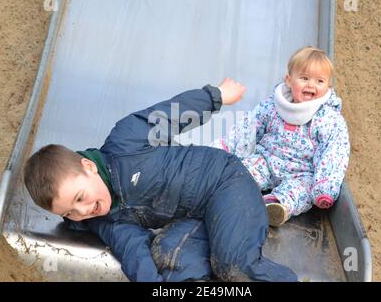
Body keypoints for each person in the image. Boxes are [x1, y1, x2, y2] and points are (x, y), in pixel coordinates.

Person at [23, 78, 298, 282]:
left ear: (88, 167)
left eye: (79, 198)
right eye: (70, 212)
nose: (83, 211)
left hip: (225, 184)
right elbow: (132, 250)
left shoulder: (125, 141)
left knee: (232, 265)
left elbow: (170, 114)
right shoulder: (103, 219)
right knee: (172, 261)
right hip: (194, 218)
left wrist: (216, 97)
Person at [211, 47, 350, 227]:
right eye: (304, 78)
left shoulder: (329, 119)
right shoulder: (274, 105)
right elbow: (248, 128)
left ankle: (275, 206)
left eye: (320, 81)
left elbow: (333, 152)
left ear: (328, 86)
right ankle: (226, 192)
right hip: (267, 161)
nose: (311, 85)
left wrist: (325, 185)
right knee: (241, 172)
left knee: (300, 191)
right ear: (289, 80)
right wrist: (221, 151)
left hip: (301, 172)